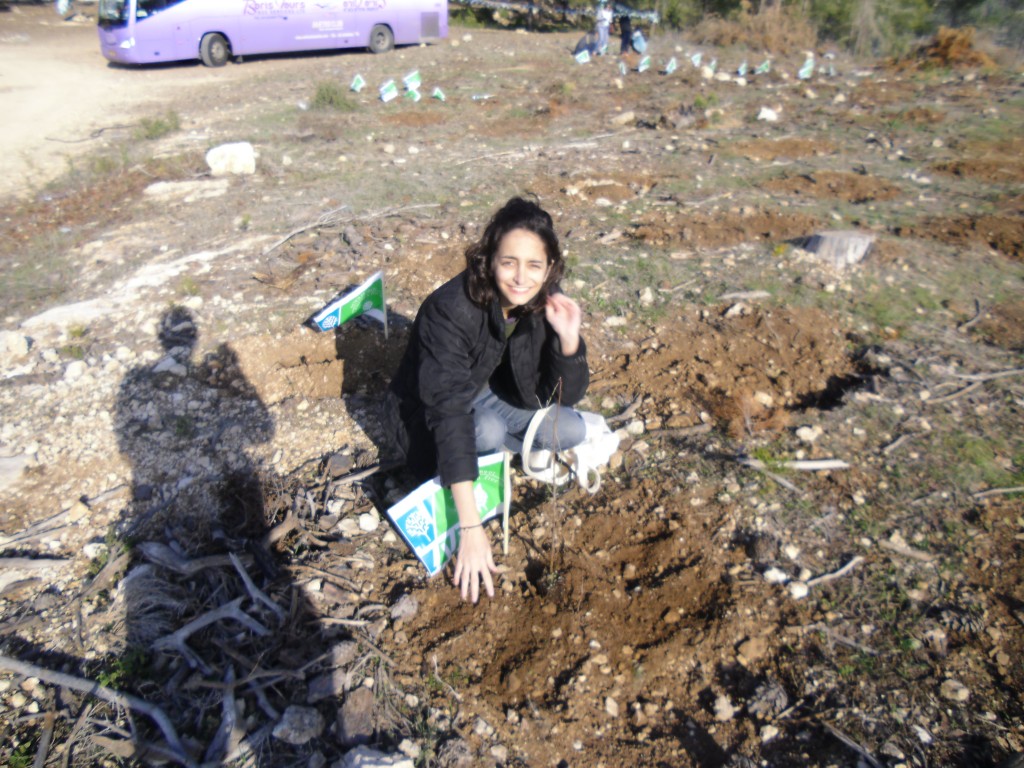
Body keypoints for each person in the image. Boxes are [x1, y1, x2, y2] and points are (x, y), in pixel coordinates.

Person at [383, 197, 590, 604]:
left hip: (491, 391)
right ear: (489, 258)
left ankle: (496, 456)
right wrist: (472, 530)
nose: (520, 277)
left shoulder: (541, 298)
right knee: (487, 429)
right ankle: (457, 477)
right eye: (508, 261)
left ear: (549, 268)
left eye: (534, 265)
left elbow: (562, 394)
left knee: (572, 428)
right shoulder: (450, 310)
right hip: (424, 417)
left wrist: (569, 340)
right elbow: (448, 411)